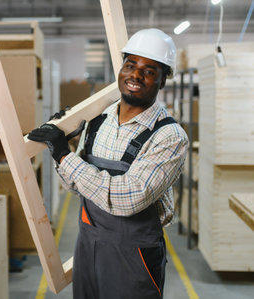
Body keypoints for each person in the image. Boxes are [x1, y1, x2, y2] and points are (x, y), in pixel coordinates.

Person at [28, 28, 189, 299]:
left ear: (162, 81)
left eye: (149, 71)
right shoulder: (98, 120)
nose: (136, 75)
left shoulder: (169, 137)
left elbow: (128, 198)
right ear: (121, 69)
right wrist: (62, 145)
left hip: (133, 256)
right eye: (130, 65)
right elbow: (74, 186)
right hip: (88, 246)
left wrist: (64, 156)